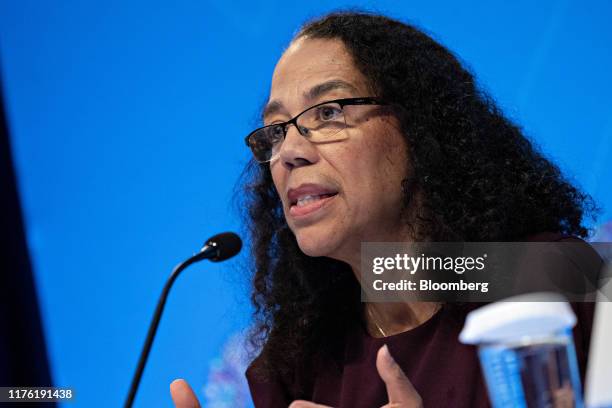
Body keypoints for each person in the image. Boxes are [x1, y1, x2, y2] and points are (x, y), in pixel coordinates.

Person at [170, 11, 597, 408]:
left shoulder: (552, 281)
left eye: (328, 112)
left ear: (420, 130)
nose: (290, 152)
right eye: (276, 130)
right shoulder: (297, 358)